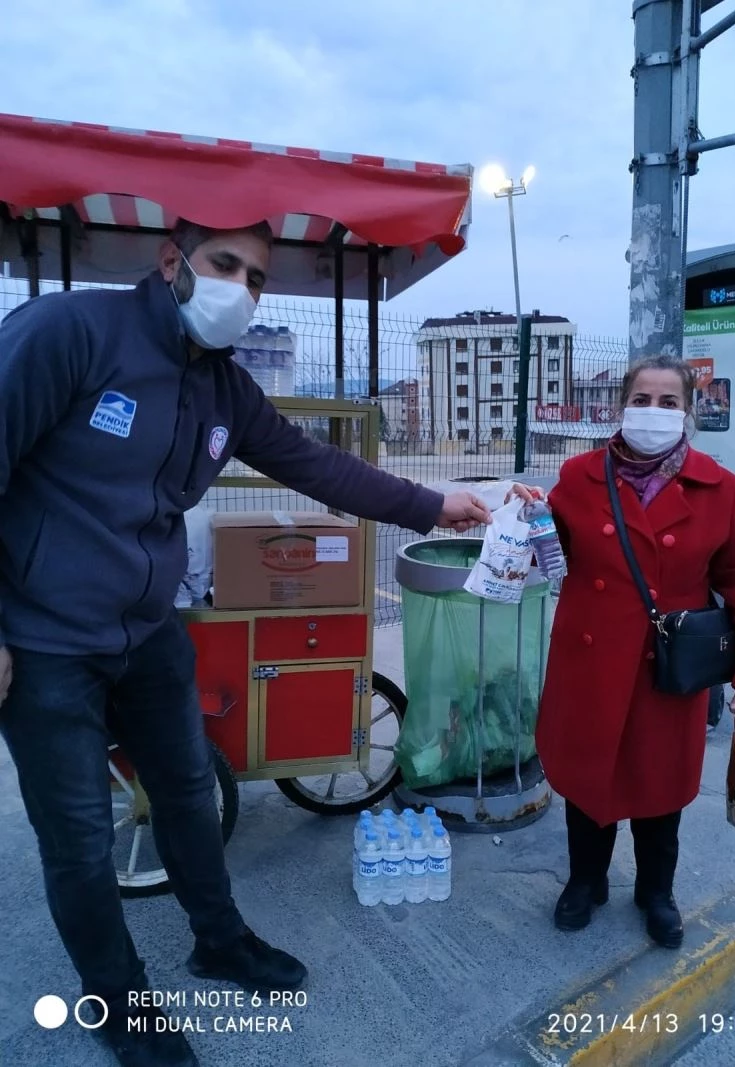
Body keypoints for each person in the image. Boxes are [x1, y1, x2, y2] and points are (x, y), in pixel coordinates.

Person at [0, 218, 491, 1067]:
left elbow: (313, 463)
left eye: (258, 276)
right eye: (225, 264)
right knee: (79, 839)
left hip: (145, 631)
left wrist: (432, 503)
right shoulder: (70, 334)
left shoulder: (223, 386)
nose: (243, 287)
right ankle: (120, 1007)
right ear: (172, 263)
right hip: (44, 640)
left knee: (189, 790)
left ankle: (219, 940)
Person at [509, 354, 735, 952]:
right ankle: (586, 880)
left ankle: (656, 892)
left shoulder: (720, 487)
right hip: (590, 663)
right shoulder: (577, 478)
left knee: (661, 789)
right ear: (621, 407)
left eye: (668, 402)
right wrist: (524, 523)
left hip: (669, 670)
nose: (652, 412)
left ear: (688, 412)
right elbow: (548, 559)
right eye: (642, 400)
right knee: (587, 783)